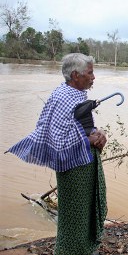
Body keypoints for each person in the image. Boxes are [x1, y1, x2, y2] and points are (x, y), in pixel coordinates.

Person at [6, 53, 108, 254]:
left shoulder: (75, 95)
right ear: (76, 75)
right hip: (73, 170)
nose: (93, 77)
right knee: (74, 217)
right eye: (90, 73)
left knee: (86, 213)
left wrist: (98, 133)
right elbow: (58, 143)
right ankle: (69, 251)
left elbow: (80, 127)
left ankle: (86, 249)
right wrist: (88, 140)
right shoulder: (62, 99)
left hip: (85, 164)